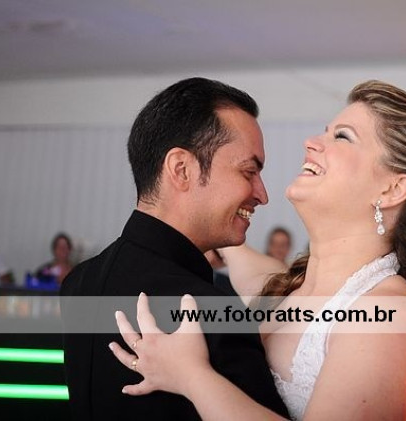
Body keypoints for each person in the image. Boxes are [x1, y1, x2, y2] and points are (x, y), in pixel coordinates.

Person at [109, 80, 406, 420]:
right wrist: (210, 223)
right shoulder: (289, 289)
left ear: (392, 189)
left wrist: (191, 376)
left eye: (342, 136)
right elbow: (254, 271)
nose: (311, 142)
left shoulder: (390, 321)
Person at [60, 78, 289, 420]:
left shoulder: (79, 281)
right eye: (249, 171)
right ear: (181, 169)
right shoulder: (205, 310)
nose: (262, 194)